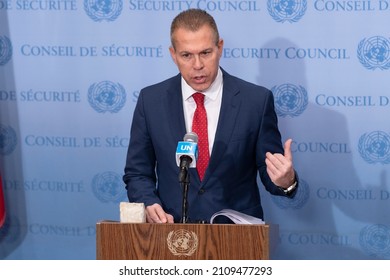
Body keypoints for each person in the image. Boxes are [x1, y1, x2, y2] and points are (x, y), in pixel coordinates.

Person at [123, 8, 298, 224]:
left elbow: (270, 172)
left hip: (237, 240)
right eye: (187, 55)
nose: (198, 65)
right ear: (173, 54)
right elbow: (137, 173)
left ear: (220, 47)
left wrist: (286, 180)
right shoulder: (151, 101)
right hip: (172, 235)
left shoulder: (256, 101)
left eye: (205, 53)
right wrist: (149, 202)